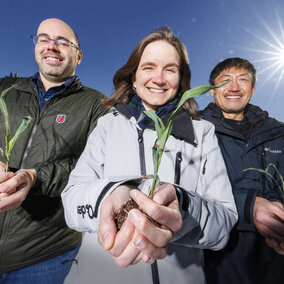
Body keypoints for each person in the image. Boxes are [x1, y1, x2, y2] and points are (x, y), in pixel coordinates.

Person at [61, 27, 238, 284]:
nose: (159, 78)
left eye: (170, 69)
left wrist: (183, 209)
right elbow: (71, 201)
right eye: (148, 67)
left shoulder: (203, 132)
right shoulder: (107, 126)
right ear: (133, 77)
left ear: (181, 81)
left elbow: (224, 224)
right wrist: (109, 198)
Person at [0, 18, 108, 283]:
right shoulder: (5, 88)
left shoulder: (98, 104)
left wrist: (35, 177)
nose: (52, 46)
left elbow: (96, 167)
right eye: (44, 39)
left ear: (78, 55)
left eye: (63, 42)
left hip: (43, 254)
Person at [201, 57, 284, 284]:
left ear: (253, 88)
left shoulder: (278, 132)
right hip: (215, 263)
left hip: (275, 263)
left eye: (242, 80)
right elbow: (191, 190)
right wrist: (249, 206)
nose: (234, 87)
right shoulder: (196, 130)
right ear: (211, 90)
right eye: (225, 80)